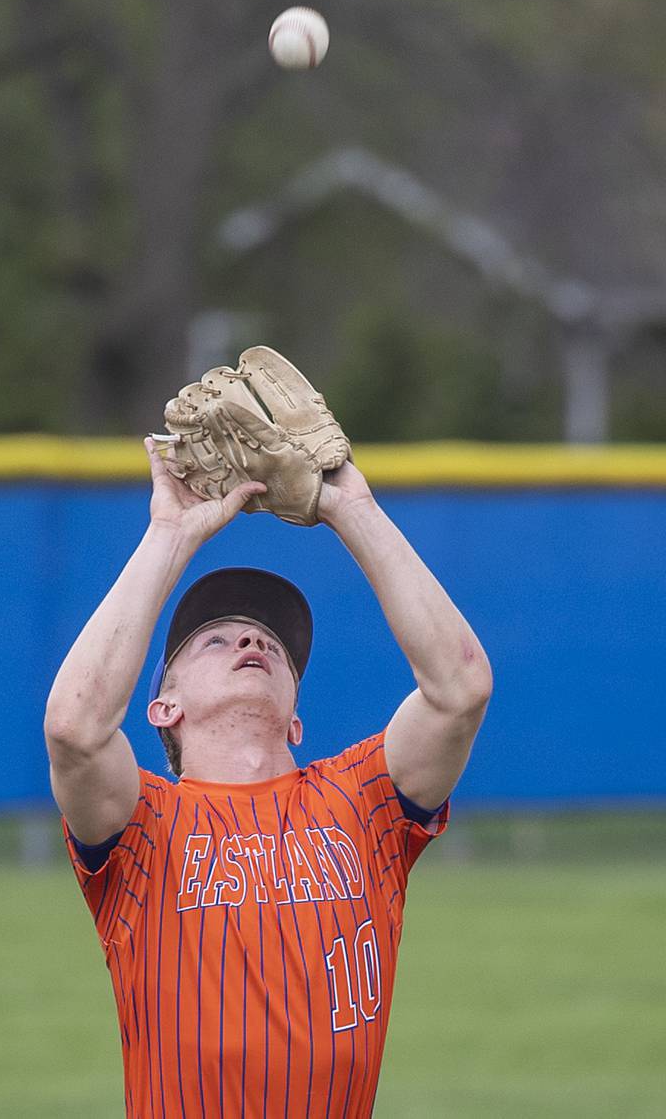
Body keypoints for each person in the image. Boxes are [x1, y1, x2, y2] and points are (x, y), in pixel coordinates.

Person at [44, 437, 492, 1119]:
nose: (252, 641)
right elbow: (75, 727)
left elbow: (460, 689)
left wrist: (353, 507)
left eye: (271, 645)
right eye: (214, 640)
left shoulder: (363, 799)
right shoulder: (142, 825)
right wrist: (169, 533)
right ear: (164, 707)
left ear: (295, 722)